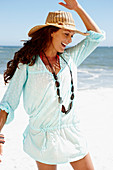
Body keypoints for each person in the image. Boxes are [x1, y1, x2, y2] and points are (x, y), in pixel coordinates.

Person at [0, 0, 105, 169]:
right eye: (66, 34)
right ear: (51, 33)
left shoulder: (70, 58)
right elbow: (8, 104)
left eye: (72, 36)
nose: (70, 40)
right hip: (42, 137)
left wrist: (78, 8)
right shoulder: (28, 63)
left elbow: (96, 37)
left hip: (71, 132)